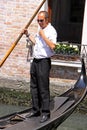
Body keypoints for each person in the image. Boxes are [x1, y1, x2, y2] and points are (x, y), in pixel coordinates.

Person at [23, 11, 57, 123]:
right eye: (38, 20)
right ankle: (35, 110)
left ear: (47, 20)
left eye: (41, 20)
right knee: (33, 87)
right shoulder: (40, 30)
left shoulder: (51, 31)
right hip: (35, 61)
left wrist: (43, 35)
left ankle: (46, 113)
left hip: (44, 62)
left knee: (43, 88)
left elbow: (53, 46)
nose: (39, 22)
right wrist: (28, 35)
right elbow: (36, 43)